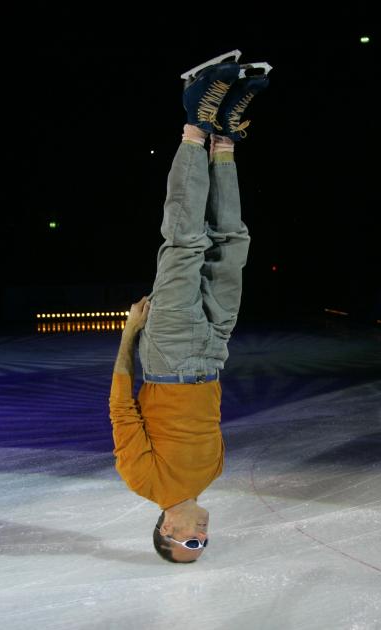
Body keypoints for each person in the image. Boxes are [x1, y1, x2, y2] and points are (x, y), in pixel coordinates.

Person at [109, 50, 272, 563]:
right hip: (212, 352)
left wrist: (130, 333)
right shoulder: (214, 472)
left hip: (170, 356)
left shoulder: (144, 481)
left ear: (165, 528)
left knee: (184, 243)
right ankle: (225, 139)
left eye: (189, 541)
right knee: (232, 242)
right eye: (202, 544)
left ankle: (194, 125)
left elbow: (120, 406)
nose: (202, 534)